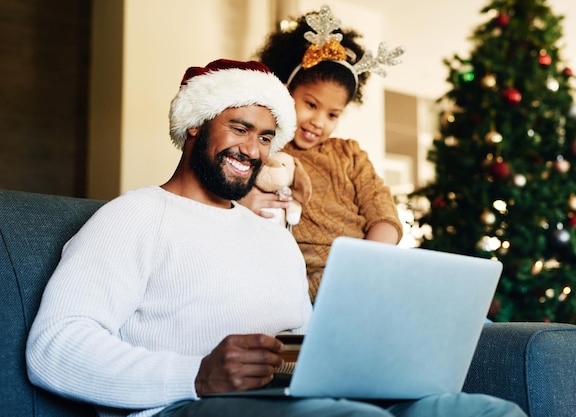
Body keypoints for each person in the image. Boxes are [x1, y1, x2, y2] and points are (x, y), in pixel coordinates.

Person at [26, 58, 526, 417]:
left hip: (293, 398)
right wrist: (196, 375)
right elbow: (54, 349)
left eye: (266, 137)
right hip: (183, 403)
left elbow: (303, 345)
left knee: (486, 411)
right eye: (239, 128)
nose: (253, 149)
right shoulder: (132, 216)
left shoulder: (272, 232)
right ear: (197, 127)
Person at [239, 5, 405, 301]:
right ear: (285, 91)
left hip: (367, 272)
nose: (319, 122)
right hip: (312, 289)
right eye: (311, 105)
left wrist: (362, 269)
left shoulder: (349, 154)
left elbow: (383, 214)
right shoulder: (266, 150)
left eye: (333, 114)